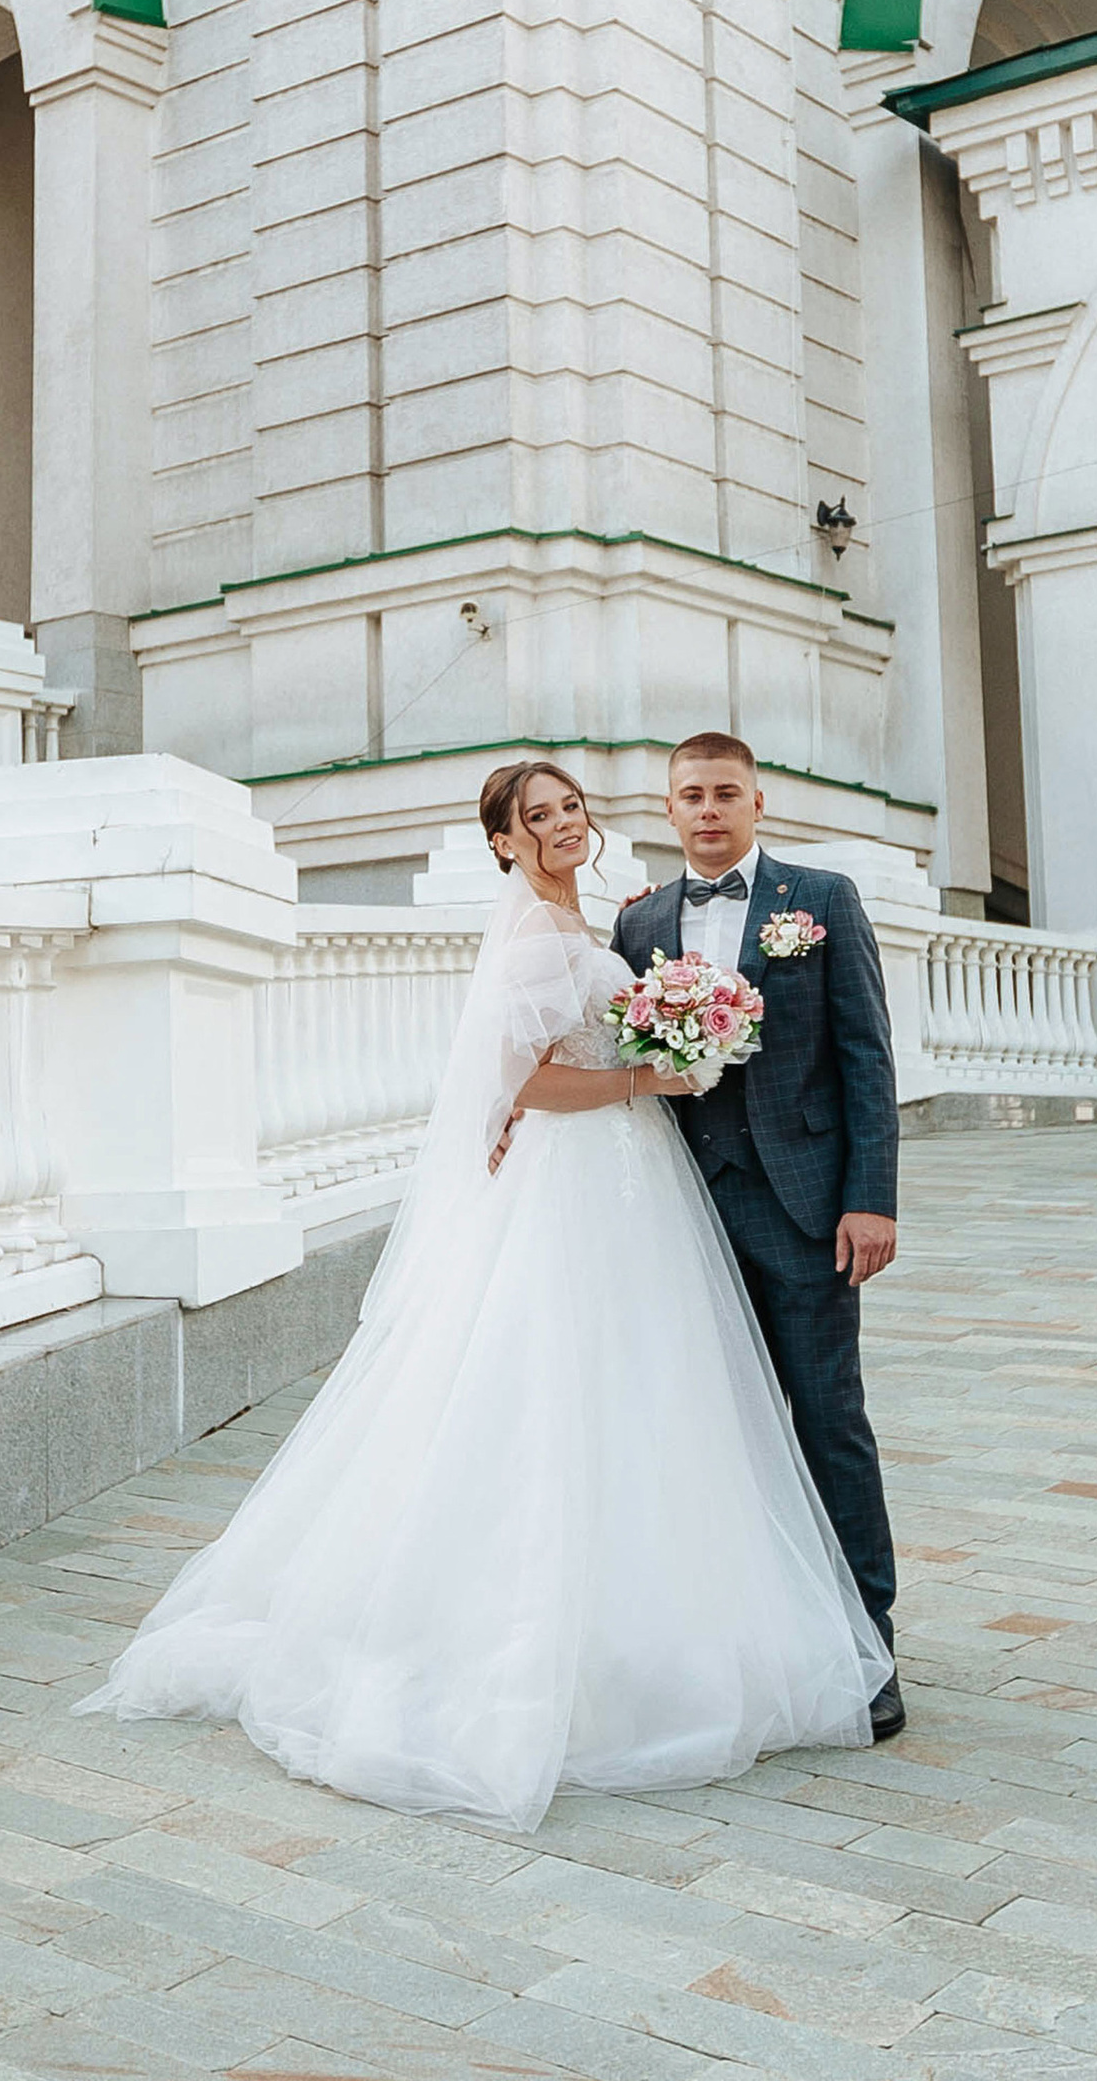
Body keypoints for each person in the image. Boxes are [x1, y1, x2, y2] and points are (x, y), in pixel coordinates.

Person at [83, 759, 893, 1831]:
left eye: (568, 809)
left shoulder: (634, 915)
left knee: (736, 1412)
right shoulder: (559, 928)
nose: (561, 825)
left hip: (667, 1192)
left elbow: (855, 1055)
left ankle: (856, 1639)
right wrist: (651, 1076)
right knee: (566, 1407)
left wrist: (854, 1186)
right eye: (536, 817)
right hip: (592, 1191)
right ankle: (562, 1647)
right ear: (504, 842)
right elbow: (523, 1076)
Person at [613, 732, 905, 1739]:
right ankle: (739, 1641)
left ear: (756, 800)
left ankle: (868, 1645)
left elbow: (866, 1057)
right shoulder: (640, 919)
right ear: (668, 808)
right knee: (710, 1432)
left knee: (827, 1420)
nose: (706, 809)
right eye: (688, 795)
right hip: (680, 1212)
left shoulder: (819, 901)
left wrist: (871, 1197)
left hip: (805, 1208)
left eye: (723, 793)